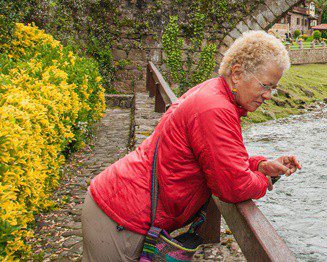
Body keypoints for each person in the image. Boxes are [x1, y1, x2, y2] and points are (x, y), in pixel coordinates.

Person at [81, 31, 301, 261]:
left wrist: (261, 165)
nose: (268, 95)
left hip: (119, 208)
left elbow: (217, 158)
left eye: (272, 88)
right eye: (265, 85)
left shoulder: (213, 93)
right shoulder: (216, 109)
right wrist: (263, 182)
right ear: (237, 73)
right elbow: (233, 185)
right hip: (121, 218)